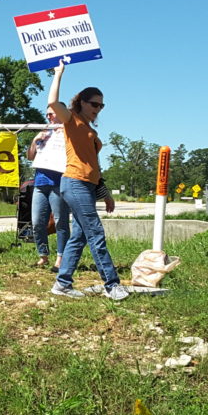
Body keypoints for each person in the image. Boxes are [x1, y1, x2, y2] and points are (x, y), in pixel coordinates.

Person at [47, 62, 129, 300]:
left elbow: (94, 165)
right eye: (94, 104)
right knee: (95, 232)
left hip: (88, 185)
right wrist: (59, 74)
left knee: (81, 236)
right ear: (81, 102)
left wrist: (105, 192)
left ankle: (62, 283)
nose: (98, 108)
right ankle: (112, 285)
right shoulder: (71, 119)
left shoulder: (90, 129)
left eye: (102, 105)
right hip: (74, 182)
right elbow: (53, 102)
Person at [27, 109, 70, 269]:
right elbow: (30, 156)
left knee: (60, 222)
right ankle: (43, 255)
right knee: (37, 222)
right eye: (47, 114)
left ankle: (61, 258)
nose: (48, 116)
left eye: (52, 113)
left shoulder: (69, 133)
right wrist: (34, 140)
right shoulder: (45, 133)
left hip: (59, 183)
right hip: (40, 183)